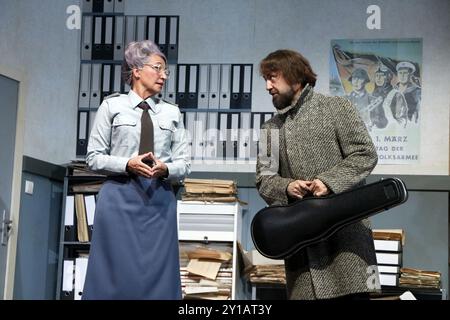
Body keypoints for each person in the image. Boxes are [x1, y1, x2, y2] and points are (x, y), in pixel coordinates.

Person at [256, 49, 379, 300]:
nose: (268, 86)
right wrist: (288, 187)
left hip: (347, 244)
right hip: (302, 249)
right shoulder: (271, 129)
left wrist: (328, 183)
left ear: (295, 76)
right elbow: (265, 180)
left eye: (273, 78)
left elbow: (365, 154)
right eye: (266, 80)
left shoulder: (336, 108)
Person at [82, 40, 191, 299]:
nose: (164, 75)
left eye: (166, 71)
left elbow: (185, 164)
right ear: (136, 70)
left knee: (159, 279)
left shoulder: (172, 113)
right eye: (158, 68)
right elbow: (93, 158)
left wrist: (166, 169)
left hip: (158, 204)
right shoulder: (112, 106)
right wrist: (126, 164)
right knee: (113, 277)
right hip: (118, 200)